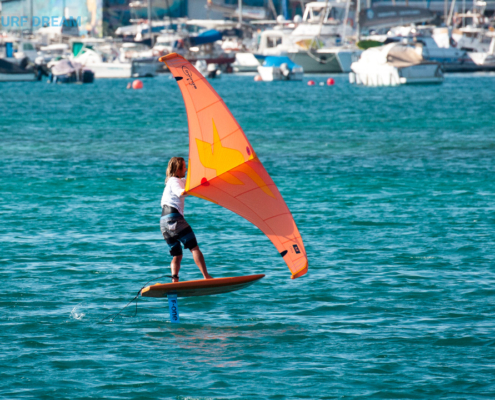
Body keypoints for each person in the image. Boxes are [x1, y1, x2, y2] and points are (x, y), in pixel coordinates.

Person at [160, 157, 212, 283]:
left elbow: (191, 181)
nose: (186, 169)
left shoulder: (175, 181)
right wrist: (191, 191)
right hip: (174, 219)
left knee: (177, 255)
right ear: (178, 170)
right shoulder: (174, 181)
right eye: (184, 167)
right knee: (194, 248)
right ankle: (206, 277)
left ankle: (175, 280)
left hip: (163, 222)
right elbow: (180, 192)